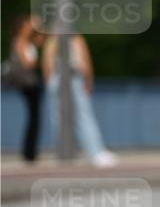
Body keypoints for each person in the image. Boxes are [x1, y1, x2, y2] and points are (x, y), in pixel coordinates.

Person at [42, 33, 118, 167]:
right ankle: (94, 152)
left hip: (63, 78)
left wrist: (49, 81)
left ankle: (73, 152)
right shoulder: (73, 39)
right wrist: (88, 78)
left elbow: (47, 62)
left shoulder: (54, 40)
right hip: (70, 78)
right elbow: (85, 60)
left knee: (62, 118)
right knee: (81, 116)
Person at [7, 14, 44, 162]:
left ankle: (30, 151)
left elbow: (41, 40)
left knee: (34, 118)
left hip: (31, 84)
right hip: (28, 84)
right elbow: (28, 63)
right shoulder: (20, 42)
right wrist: (36, 62)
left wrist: (38, 26)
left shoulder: (28, 41)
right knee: (33, 118)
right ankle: (29, 152)